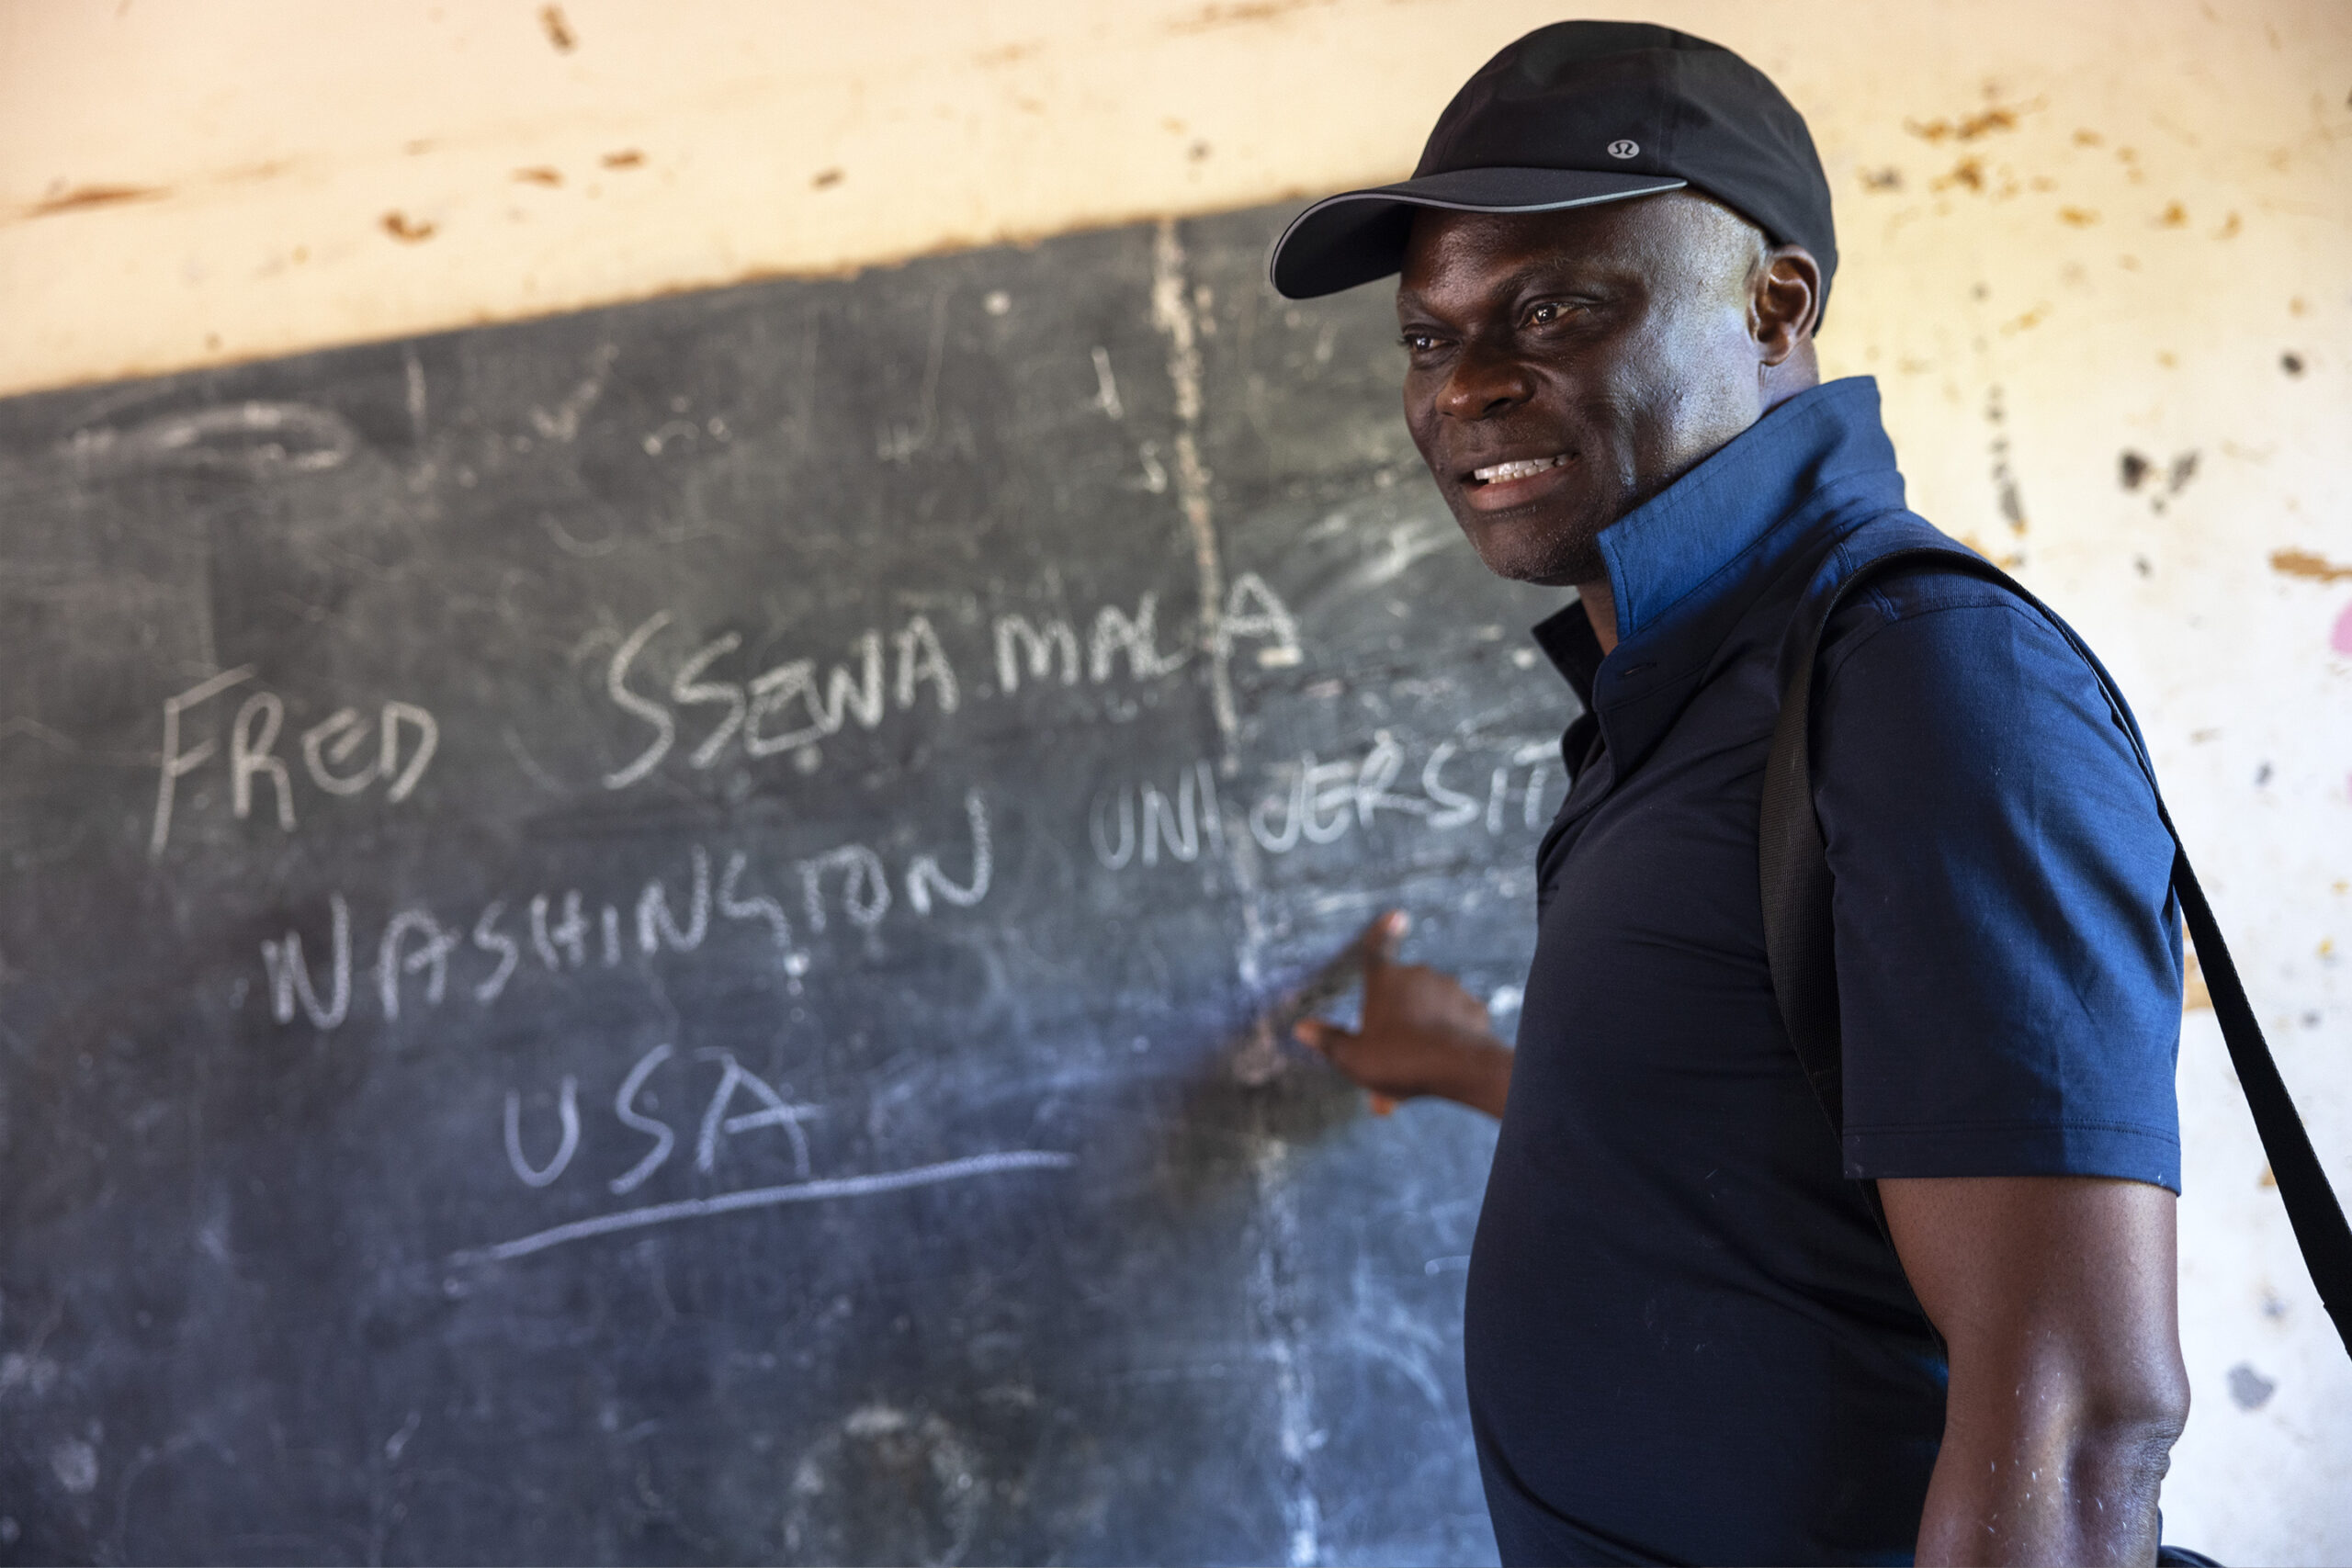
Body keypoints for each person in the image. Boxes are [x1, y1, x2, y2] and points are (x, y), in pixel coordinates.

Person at [1271, 22, 2191, 1567]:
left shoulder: (1917, 676)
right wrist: (1484, 1070)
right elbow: (1780, 1127)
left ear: (1775, 307)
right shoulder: (1691, 690)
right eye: (1429, 337)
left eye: (1555, 307)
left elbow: (2085, 1420)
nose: (1471, 387)